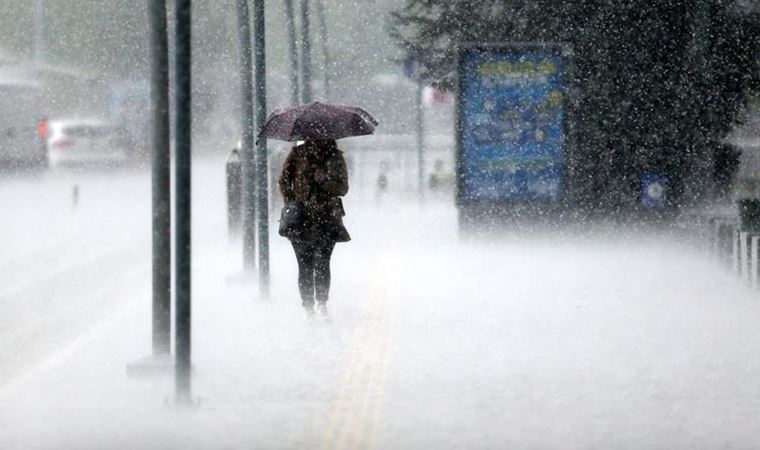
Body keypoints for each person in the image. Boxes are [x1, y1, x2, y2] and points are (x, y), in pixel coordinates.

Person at [278, 139, 350, 320]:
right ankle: (308, 307)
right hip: (301, 219)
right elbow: (283, 181)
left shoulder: (335, 156)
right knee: (304, 264)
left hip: (327, 217)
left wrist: (324, 180)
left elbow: (343, 188)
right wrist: (292, 201)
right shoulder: (297, 154)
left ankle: (322, 304)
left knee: (323, 262)